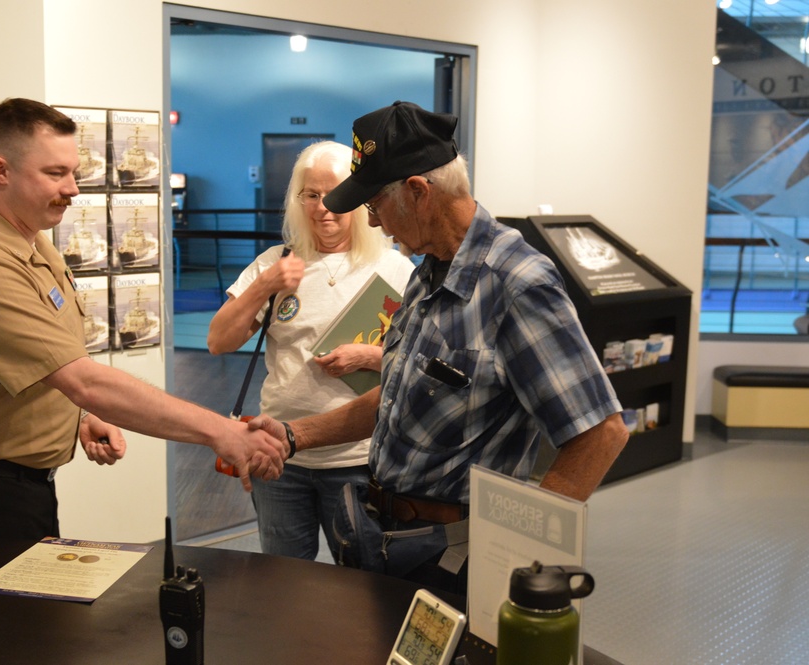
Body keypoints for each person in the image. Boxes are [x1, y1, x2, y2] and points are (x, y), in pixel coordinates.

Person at [249, 101, 629, 594]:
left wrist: (521, 556)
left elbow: (601, 432)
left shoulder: (515, 284)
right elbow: (397, 397)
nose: (377, 223)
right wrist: (292, 434)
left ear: (418, 192)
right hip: (386, 540)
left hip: (456, 556)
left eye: (375, 205)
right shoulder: (428, 272)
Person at [0, 98, 286, 540]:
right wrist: (221, 432)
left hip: (17, 487)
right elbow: (83, 379)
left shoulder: (30, 241)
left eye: (73, 172)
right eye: (55, 173)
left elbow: (41, 363)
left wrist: (78, 418)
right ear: (1, 170)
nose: (73, 189)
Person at [207, 141, 416, 561]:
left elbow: (418, 365)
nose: (324, 208)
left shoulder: (394, 268)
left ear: (358, 199)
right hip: (279, 459)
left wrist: (368, 358)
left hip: (359, 460)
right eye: (311, 195)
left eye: (336, 195)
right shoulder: (274, 263)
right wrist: (266, 285)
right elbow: (219, 341)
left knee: (361, 587)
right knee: (285, 587)